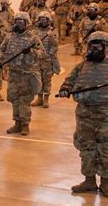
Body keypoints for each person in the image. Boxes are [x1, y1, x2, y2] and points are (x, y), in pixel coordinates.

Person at [58, 31, 108, 196]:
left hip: (105, 115)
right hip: (84, 114)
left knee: (105, 149)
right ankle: (89, 181)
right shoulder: (82, 66)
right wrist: (65, 89)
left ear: (105, 47)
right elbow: (69, 81)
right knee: (86, 148)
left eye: (98, 46)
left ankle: (106, 182)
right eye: (91, 46)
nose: (94, 49)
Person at [0, 12, 44, 136]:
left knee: (25, 100)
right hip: (13, 74)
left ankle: (25, 125)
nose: (18, 24)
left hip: (27, 74)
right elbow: (2, 51)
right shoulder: (9, 37)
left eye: (21, 22)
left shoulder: (33, 38)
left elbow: (42, 54)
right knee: (14, 99)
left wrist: (31, 51)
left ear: (27, 24)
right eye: (16, 21)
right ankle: (17, 123)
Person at [31, 11, 59, 108]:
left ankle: (46, 99)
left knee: (47, 80)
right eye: (41, 19)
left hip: (47, 61)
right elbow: (32, 44)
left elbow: (55, 46)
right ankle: (39, 98)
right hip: (36, 60)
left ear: (49, 21)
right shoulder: (35, 32)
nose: (43, 21)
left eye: (45, 19)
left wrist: (49, 55)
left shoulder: (52, 31)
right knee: (38, 79)